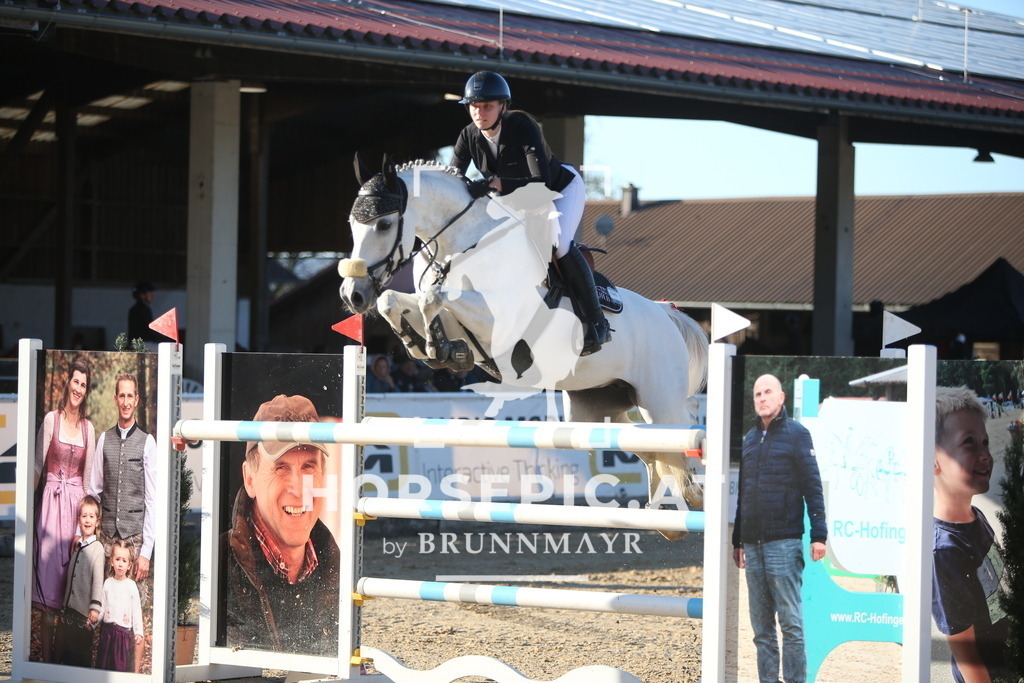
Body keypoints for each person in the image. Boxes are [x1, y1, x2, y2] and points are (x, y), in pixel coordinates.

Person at [449, 70, 610, 355]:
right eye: (474, 106)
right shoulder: (468, 135)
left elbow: (540, 183)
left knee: (558, 243)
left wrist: (497, 184)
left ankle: (597, 322)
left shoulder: (522, 127)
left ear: (503, 107)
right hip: (514, 201)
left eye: (487, 106)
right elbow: (452, 180)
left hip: (558, 190)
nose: (479, 112)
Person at [222, 394, 340, 655]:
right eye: (281, 468)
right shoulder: (217, 565)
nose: (298, 489)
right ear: (249, 479)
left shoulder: (339, 566)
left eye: (308, 466)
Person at [732, 373, 826, 683]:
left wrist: (819, 535)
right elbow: (743, 494)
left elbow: (813, 486)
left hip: (784, 543)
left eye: (768, 392)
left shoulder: (798, 434)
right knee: (761, 629)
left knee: (791, 624)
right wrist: (738, 541)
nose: (762, 398)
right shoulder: (749, 439)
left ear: (781, 397)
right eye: (757, 394)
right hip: (753, 546)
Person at [931, 386, 1010, 683]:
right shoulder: (944, 550)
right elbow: (966, 654)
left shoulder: (977, 516)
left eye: (985, 442)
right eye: (969, 443)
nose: (985, 455)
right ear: (933, 460)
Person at [89, 372, 156, 670]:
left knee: (135, 616)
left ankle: (135, 674)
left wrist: (146, 553)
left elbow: (152, 500)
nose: (126, 401)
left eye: (131, 396)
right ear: (115, 399)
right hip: (106, 540)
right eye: (122, 396)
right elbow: (93, 490)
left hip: (134, 540)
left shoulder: (148, 442)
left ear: (136, 400)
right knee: (104, 610)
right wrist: (90, 535)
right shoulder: (104, 439)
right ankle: (103, 671)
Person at [33, 356, 96, 662]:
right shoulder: (51, 420)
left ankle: (63, 662)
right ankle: (46, 662)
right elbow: (36, 468)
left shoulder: (88, 428)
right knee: (47, 593)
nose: (78, 389)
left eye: (83, 384)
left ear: (86, 390)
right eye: (75, 381)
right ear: (67, 382)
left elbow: (88, 483)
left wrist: (84, 529)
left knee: (69, 592)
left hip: (74, 514)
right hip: (49, 510)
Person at [57, 495, 105, 667]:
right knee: (68, 653)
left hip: (84, 613)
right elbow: (71, 578)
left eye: (91, 516)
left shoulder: (97, 549)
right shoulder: (78, 547)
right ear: (79, 520)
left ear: (97, 521)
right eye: (84, 516)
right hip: (70, 610)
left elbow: (98, 579)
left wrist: (95, 607)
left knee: (81, 654)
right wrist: (64, 605)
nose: (87, 520)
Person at [95, 539, 144, 673]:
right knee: (104, 667)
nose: (120, 564)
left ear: (129, 565)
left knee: (120, 667)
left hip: (123, 636)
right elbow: (102, 608)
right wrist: (93, 623)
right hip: (107, 634)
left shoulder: (131, 586)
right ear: (111, 562)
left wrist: (138, 632)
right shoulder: (107, 583)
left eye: (124, 561)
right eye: (117, 559)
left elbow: (136, 612)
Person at [127, 281, 171, 350]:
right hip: (144, 344)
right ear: (142, 295)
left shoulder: (134, 309)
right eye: (150, 292)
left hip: (135, 344)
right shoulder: (143, 309)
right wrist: (164, 339)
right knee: (166, 350)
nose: (152, 295)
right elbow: (150, 329)